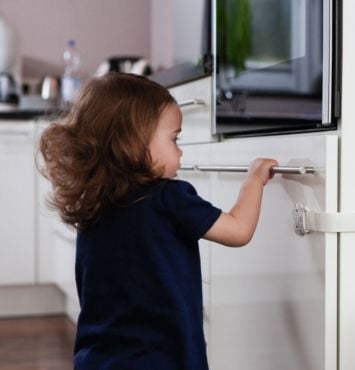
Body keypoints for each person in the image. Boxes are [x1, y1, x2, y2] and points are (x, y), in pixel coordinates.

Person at [38, 72, 277, 370]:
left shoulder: (93, 203)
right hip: (160, 359)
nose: (180, 151)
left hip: (98, 358)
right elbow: (238, 230)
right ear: (133, 143)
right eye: (174, 139)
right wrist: (253, 180)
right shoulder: (169, 198)